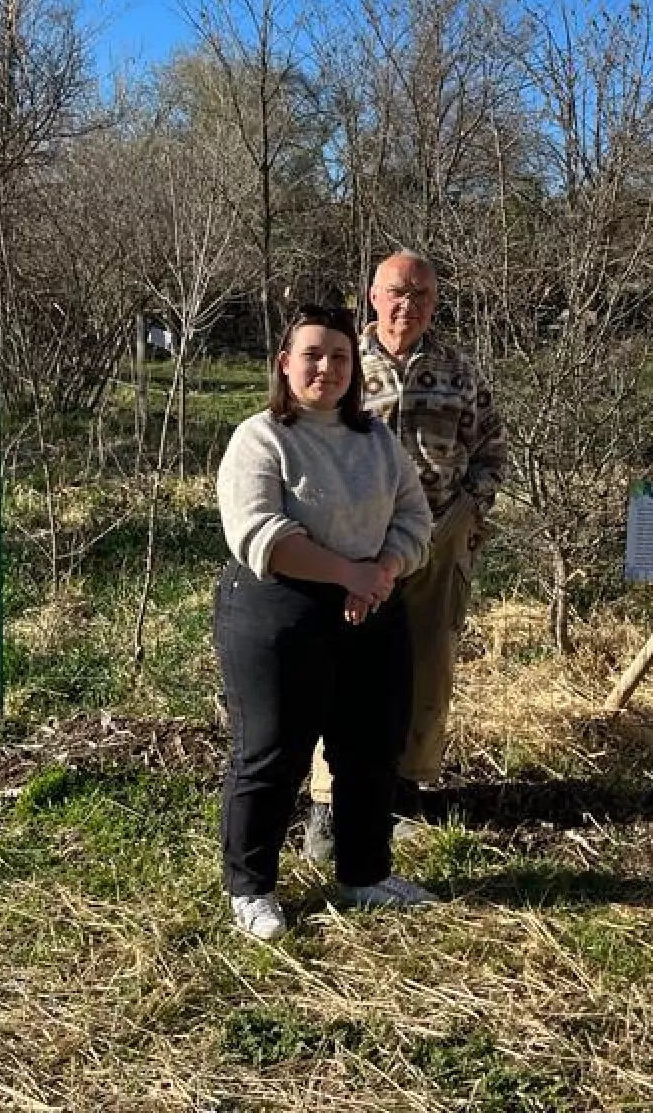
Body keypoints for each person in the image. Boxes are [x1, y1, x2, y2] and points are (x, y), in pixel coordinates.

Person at [214, 302, 436, 940]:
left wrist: (384, 569)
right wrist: (349, 574)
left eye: (340, 356)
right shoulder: (261, 438)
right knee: (273, 754)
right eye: (312, 354)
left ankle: (363, 874)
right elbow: (261, 533)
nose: (327, 368)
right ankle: (251, 887)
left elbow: (413, 517)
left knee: (370, 750)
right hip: (278, 609)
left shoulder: (376, 440)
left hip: (372, 604)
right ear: (285, 364)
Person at [303, 250, 508, 860]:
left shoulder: (458, 370)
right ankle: (327, 801)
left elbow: (492, 444)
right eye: (397, 291)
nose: (408, 304)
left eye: (421, 295)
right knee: (340, 663)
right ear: (373, 296)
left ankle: (403, 789)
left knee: (426, 661)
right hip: (354, 540)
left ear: (435, 304)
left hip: (438, 536)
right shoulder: (343, 363)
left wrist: (471, 509)